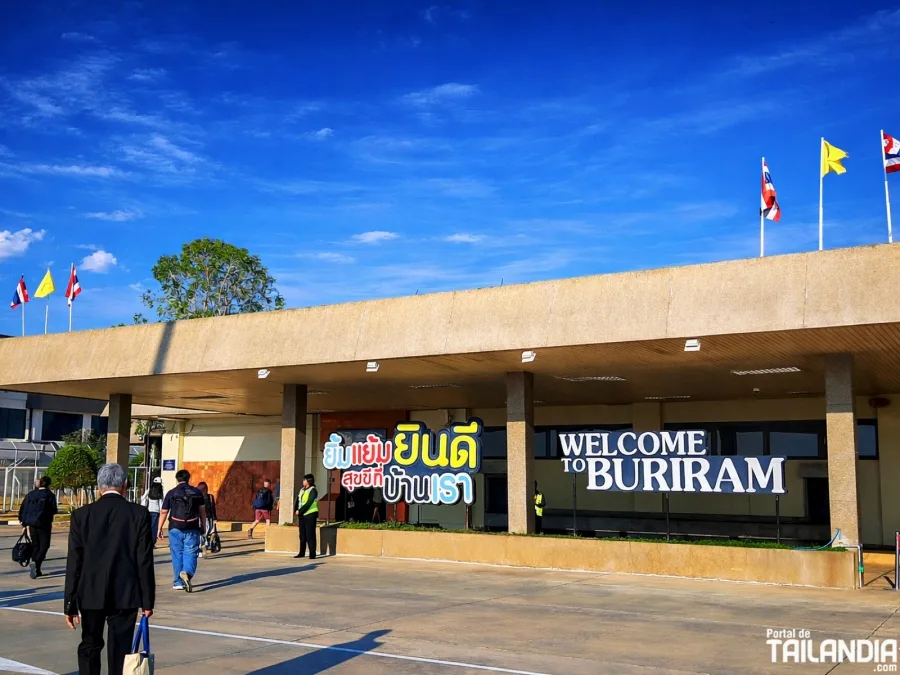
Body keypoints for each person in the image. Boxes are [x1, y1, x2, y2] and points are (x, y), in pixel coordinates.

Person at [64, 463, 155, 675]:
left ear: (99, 487)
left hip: (90, 591)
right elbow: (144, 560)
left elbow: (74, 562)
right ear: (125, 485)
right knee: (121, 649)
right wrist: (147, 601)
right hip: (125, 593)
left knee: (90, 644)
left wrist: (70, 603)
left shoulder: (81, 515)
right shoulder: (139, 514)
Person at [157, 469, 206, 593]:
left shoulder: (171, 493)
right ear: (188, 479)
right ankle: (187, 573)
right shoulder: (197, 492)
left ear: (177, 479)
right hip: (192, 527)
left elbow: (164, 511)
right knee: (191, 552)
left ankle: (178, 582)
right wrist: (203, 525)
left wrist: (159, 528)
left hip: (175, 527)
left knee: (177, 554)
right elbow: (202, 511)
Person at [18, 475, 58, 579]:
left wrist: (23, 522)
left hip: (31, 524)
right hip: (44, 524)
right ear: (48, 484)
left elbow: (23, 508)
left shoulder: (30, 494)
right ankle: (36, 563)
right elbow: (54, 509)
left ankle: (37, 570)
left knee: (35, 545)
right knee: (44, 546)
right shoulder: (50, 495)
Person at [294, 474, 319, 560]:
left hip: (310, 514)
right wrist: (296, 510)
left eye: (304, 480)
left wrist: (300, 510)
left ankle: (312, 553)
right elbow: (298, 501)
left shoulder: (313, 490)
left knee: (310, 534)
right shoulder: (302, 490)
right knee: (302, 535)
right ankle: (302, 552)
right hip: (302, 515)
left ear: (308, 481)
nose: (303, 481)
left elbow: (309, 502)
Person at [139, 477, 164, 547]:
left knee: (148, 527)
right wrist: (162, 513)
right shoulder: (160, 491)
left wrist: (147, 499)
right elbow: (161, 503)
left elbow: (142, 498)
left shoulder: (149, 489)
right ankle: (152, 543)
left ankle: (146, 542)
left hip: (148, 510)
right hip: (156, 512)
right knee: (154, 528)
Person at [197, 481, 217, 556]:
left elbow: (213, 508)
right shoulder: (197, 497)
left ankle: (208, 545)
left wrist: (215, 518)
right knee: (203, 534)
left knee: (212, 532)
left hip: (210, 518)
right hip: (202, 519)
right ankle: (203, 548)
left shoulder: (210, 497)